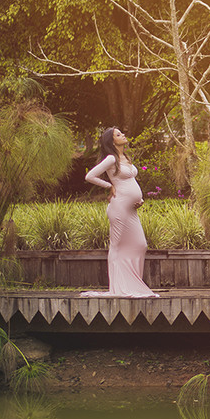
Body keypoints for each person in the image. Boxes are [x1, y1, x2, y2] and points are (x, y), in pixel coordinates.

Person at [81, 127, 159, 298]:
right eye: (118, 134)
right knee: (116, 246)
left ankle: (132, 284)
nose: (123, 135)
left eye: (121, 133)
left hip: (131, 209)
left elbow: (130, 182)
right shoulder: (111, 158)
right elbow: (90, 176)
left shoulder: (126, 158)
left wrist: (139, 200)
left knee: (140, 244)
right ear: (112, 141)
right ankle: (118, 288)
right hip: (119, 208)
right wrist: (110, 186)